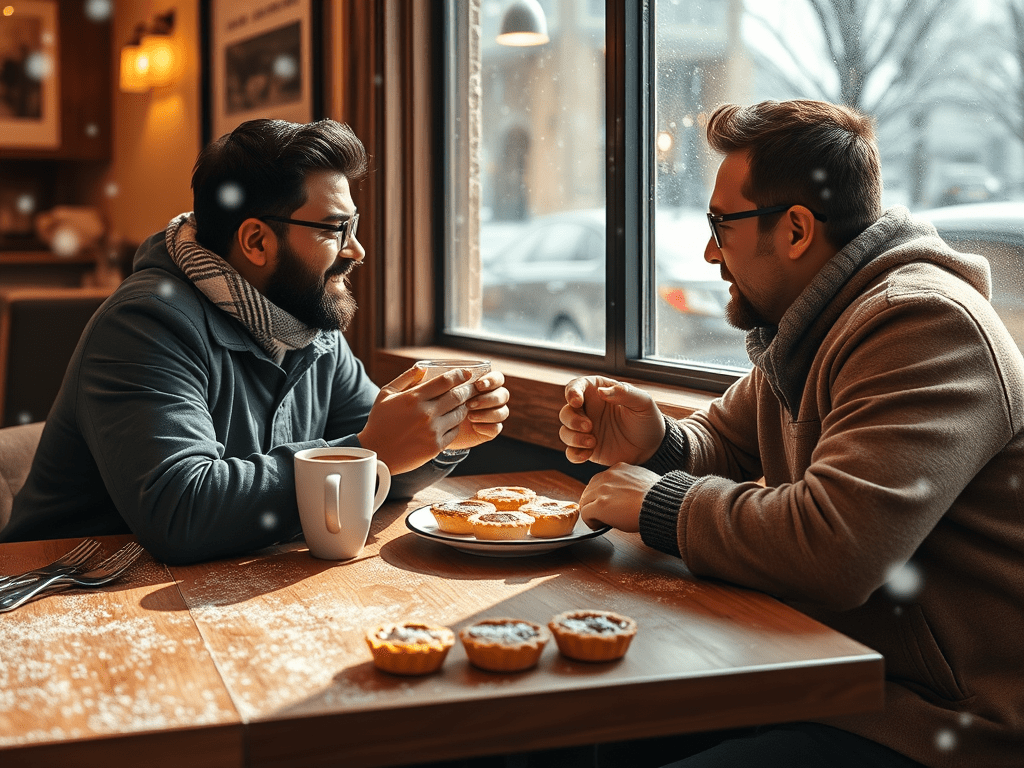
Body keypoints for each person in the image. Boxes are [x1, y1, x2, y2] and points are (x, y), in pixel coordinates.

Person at [559, 100, 1024, 767]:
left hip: (943, 723)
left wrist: (660, 503)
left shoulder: (919, 325)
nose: (709, 250)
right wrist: (656, 442)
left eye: (722, 223)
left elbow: (837, 545)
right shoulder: (817, 322)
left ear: (798, 229)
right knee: (599, 734)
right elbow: (728, 439)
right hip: (826, 674)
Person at [1, 118, 509, 565]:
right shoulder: (145, 323)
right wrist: (367, 449)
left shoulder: (307, 325)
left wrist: (437, 434)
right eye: (336, 228)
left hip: (205, 588)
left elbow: (380, 459)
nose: (356, 249)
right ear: (256, 242)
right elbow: (180, 512)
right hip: (66, 593)